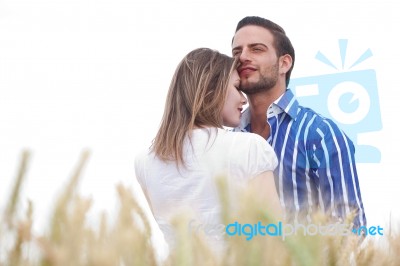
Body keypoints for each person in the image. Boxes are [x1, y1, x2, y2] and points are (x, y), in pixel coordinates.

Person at [134, 48, 281, 252]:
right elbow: (275, 236)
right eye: (237, 88)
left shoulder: (144, 162)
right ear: (212, 90)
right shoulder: (249, 147)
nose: (243, 99)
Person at [231, 16, 366, 228]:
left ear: (284, 63)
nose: (243, 57)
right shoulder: (228, 139)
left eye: (256, 49)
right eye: (236, 52)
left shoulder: (320, 134)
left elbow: (349, 227)